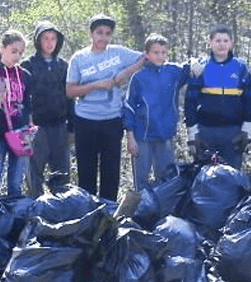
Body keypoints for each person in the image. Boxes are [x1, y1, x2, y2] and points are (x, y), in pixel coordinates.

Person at [66, 14, 144, 200]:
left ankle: (108, 214)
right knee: (86, 172)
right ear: (91, 34)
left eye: (108, 33)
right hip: (85, 121)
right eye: (99, 33)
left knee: (111, 172)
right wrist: (96, 85)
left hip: (111, 120)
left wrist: (123, 73)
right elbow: (70, 91)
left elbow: (145, 58)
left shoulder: (118, 53)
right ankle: (87, 214)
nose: (103, 37)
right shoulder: (79, 58)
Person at [123, 34, 190, 190]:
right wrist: (130, 138)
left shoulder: (173, 72)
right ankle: (140, 210)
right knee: (141, 179)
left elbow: (189, 68)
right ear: (146, 54)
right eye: (156, 52)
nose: (160, 56)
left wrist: (194, 64)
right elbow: (129, 108)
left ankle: (163, 210)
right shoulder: (138, 78)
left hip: (165, 134)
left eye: (163, 52)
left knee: (166, 178)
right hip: (142, 136)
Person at [184, 24, 251, 169]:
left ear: (231, 43)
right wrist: (192, 133)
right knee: (205, 176)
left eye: (225, 41)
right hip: (205, 131)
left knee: (232, 177)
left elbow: (249, 99)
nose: (221, 44)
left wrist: (248, 130)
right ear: (210, 43)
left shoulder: (241, 67)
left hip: (234, 132)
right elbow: (190, 100)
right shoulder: (200, 66)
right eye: (217, 41)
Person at [21, 20, 73, 197]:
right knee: (34, 174)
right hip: (36, 127)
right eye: (45, 38)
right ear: (38, 41)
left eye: (53, 38)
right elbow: (21, 100)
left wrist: (71, 128)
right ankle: (36, 211)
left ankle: (62, 211)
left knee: (62, 173)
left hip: (60, 126)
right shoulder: (27, 66)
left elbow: (70, 97)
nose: (50, 42)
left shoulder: (64, 66)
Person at [0, 29, 32, 200]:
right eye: (13, 51)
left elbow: (28, 107)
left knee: (16, 183)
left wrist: (30, 132)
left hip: (20, 134)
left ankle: (12, 222)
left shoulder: (25, 75)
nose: (17, 56)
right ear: (2, 48)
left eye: (21, 52)